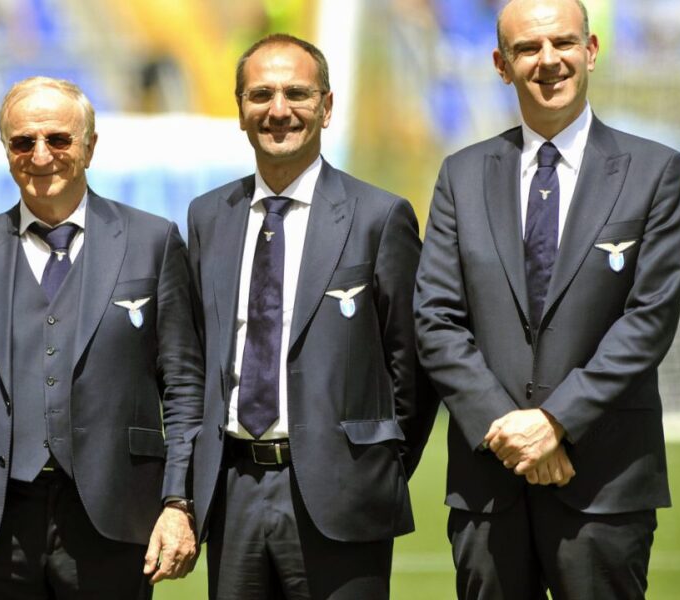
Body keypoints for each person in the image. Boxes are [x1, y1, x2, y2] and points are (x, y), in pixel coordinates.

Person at [414, 0, 680, 598]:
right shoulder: (461, 176)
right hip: (489, 484)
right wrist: (508, 430)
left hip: (605, 485)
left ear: (590, 52)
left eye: (563, 43)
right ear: (501, 64)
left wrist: (556, 421)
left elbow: (648, 321)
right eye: (527, 48)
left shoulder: (656, 171)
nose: (548, 60)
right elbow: (435, 319)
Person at [0, 76, 204, 599]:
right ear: (6, 150)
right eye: (23, 142)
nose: (41, 155)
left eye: (58, 139)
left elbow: (185, 391)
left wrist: (180, 502)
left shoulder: (153, 242)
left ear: (90, 146)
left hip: (115, 519)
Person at [187, 34, 437, 599]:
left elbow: (413, 365)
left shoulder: (379, 217)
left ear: (326, 106)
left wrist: (375, 463)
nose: (279, 110)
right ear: (240, 110)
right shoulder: (208, 217)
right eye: (261, 95)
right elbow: (198, 356)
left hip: (343, 492)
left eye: (297, 93)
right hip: (233, 490)